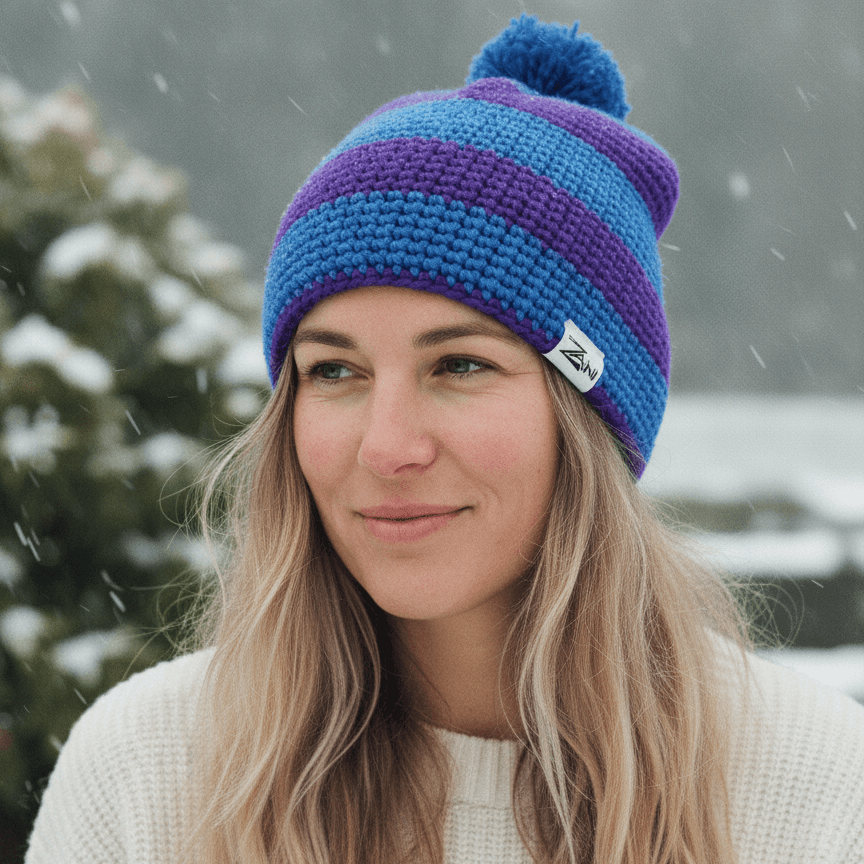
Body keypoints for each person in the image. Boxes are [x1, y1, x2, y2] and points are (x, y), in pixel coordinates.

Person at [25, 15, 864, 864]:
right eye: (335, 372)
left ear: (590, 413)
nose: (387, 448)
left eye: (459, 365)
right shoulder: (142, 774)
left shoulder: (818, 788)